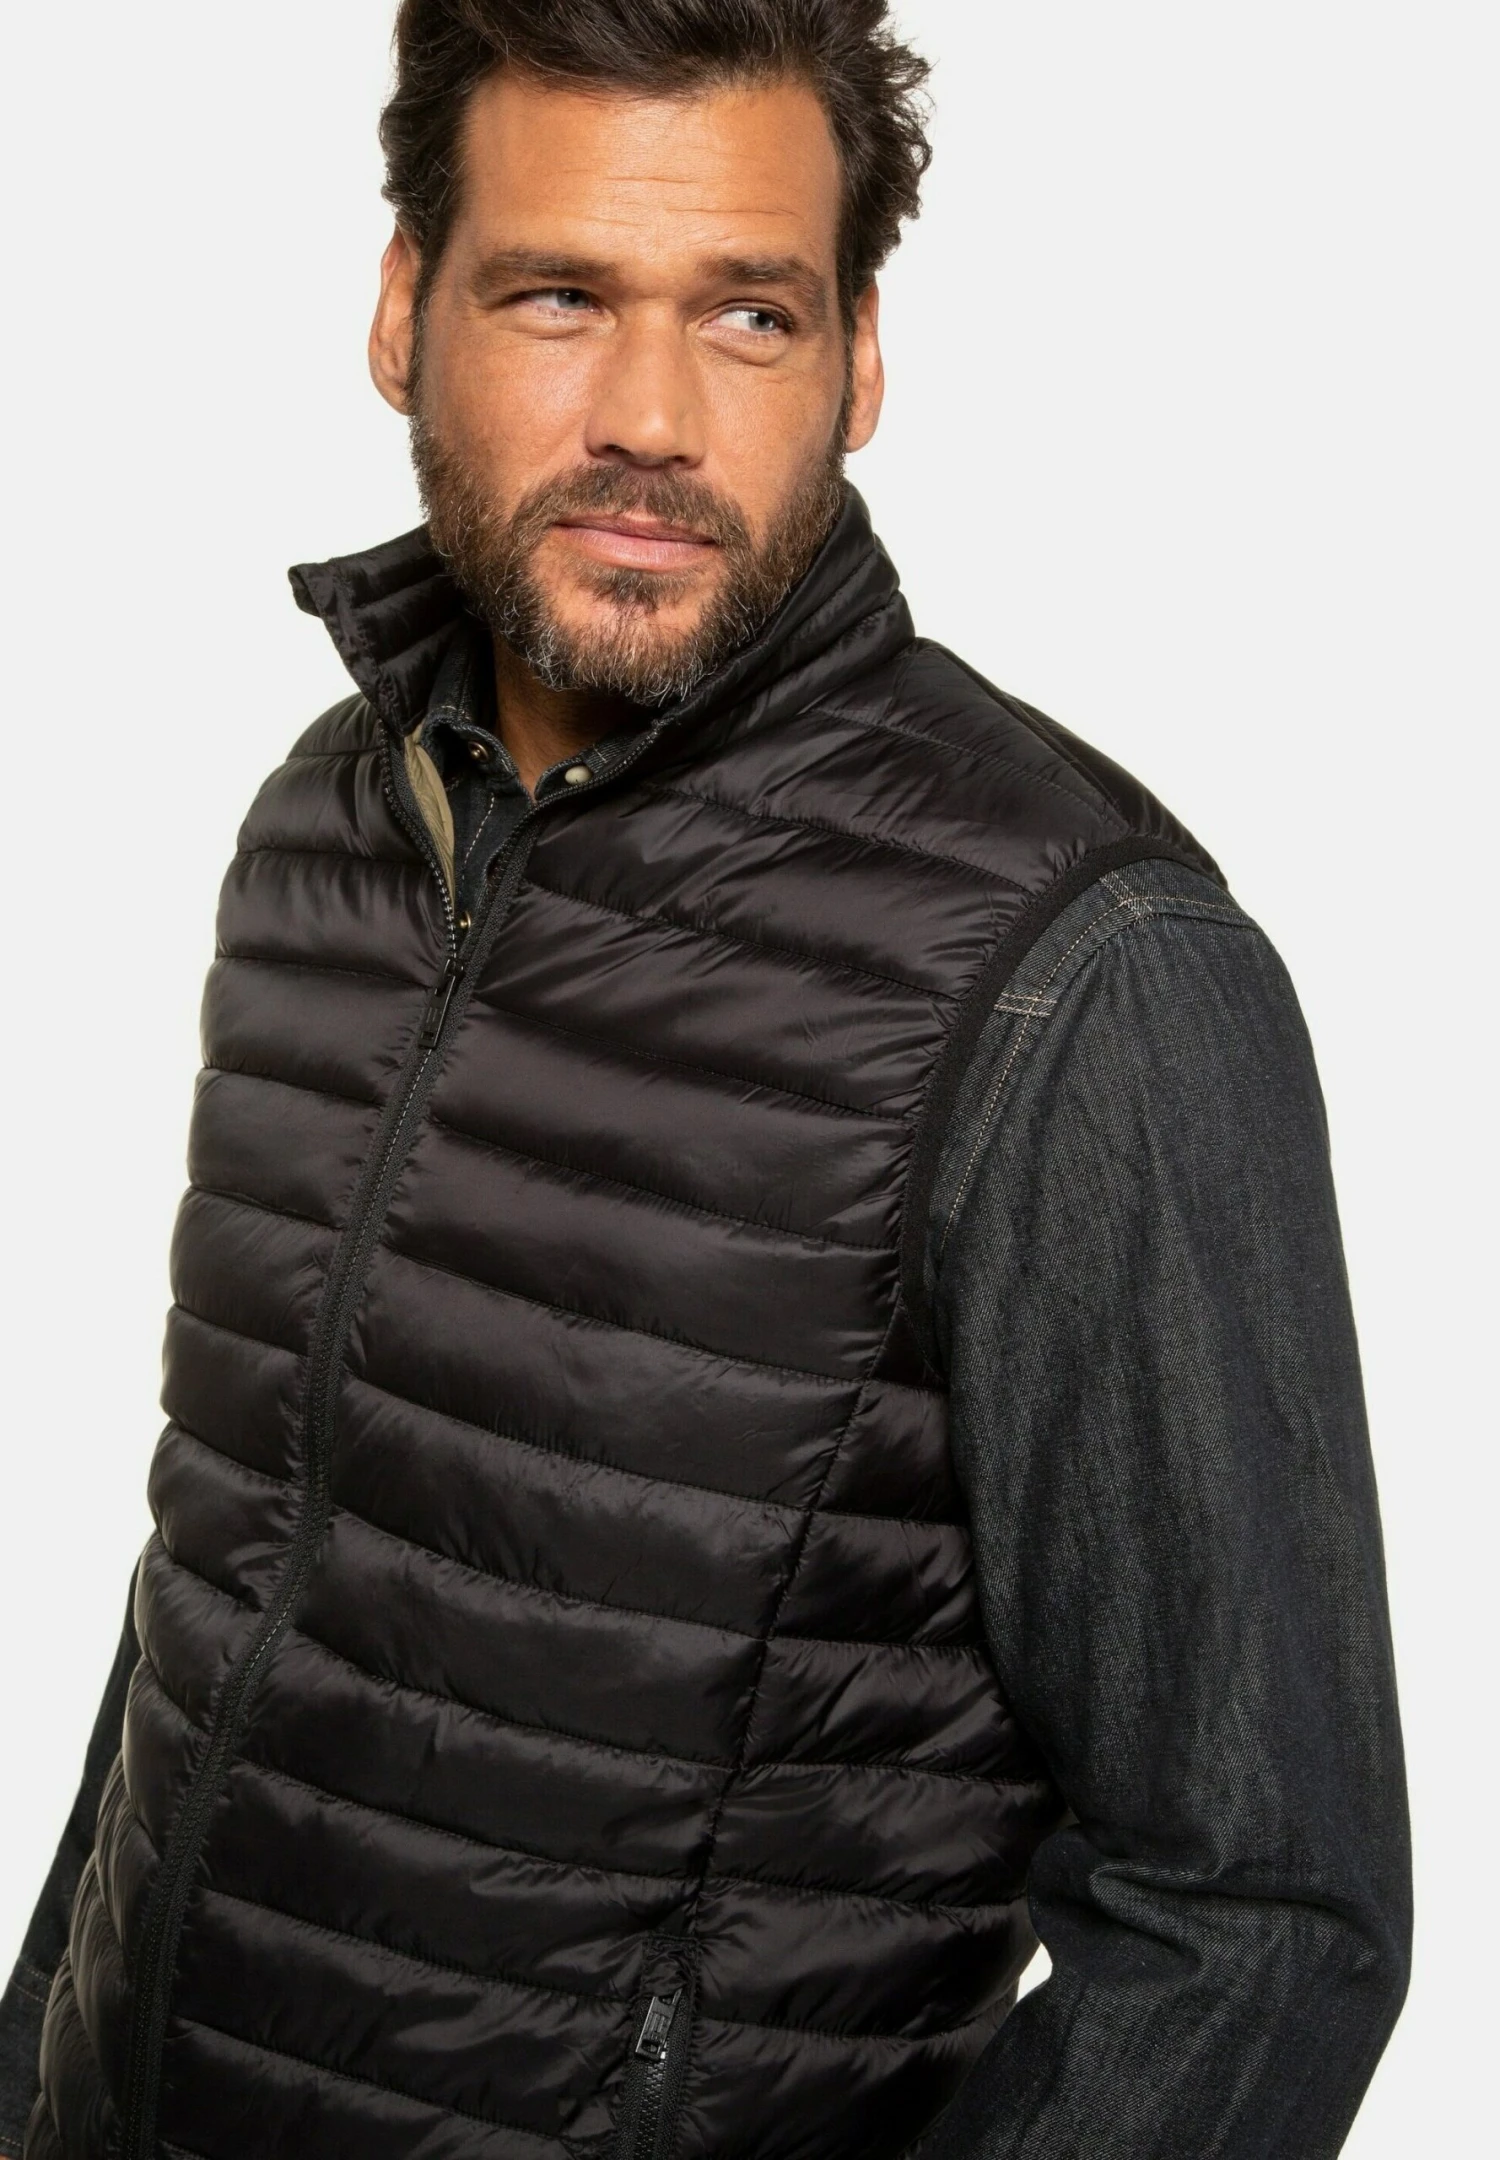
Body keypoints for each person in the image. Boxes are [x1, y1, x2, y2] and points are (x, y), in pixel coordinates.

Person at [0, 4, 1411, 2156]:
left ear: (859, 361)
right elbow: (227, 1580)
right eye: (558, 296)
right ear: (401, 310)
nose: (650, 419)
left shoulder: (1082, 979)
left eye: (748, 314)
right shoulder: (333, 826)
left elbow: (1259, 1923)